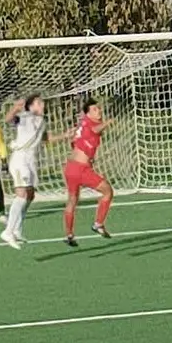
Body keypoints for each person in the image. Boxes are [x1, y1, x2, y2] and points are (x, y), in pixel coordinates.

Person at [62, 99, 114, 247]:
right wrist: (108, 122)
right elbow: (95, 130)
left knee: (72, 200)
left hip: (70, 167)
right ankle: (98, 223)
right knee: (108, 191)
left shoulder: (83, 124)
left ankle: (69, 234)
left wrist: (88, 156)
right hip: (80, 170)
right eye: (95, 110)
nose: (99, 111)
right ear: (87, 113)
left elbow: (76, 141)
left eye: (99, 109)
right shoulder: (91, 124)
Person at [0, 95, 46, 248]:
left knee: (30, 195)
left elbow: (46, 138)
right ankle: (8, 231)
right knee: (21, 194)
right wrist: (16, 108)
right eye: (38, 103)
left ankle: (17, 229)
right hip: (19, 161)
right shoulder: (24, 117)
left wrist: (66, 135)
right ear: (31, 106)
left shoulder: (42, 121)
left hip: (31, 162)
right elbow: (8, 119)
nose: (42, 104)